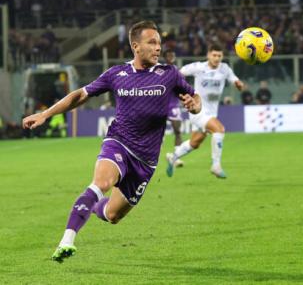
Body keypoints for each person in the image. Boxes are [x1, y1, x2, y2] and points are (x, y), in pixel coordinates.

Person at [22, 20, 201, 262]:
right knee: (101, 182)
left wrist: (194, 104)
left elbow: (194, 97)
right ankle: (67, 240)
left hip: (146, 161)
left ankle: (96, 207)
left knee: (112, 214)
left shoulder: (169, 74)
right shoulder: (117, 74)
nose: (158, 48)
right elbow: (80, 95)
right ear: (135, 46)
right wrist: (45, 114)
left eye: (159, 43)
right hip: (119, 142)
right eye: (152, 42)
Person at [166, 44, 244, 179]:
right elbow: (178, 74)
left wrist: (238, 84)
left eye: (219, 56)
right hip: (198, 110)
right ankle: (216, 165)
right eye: (214, 55)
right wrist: (181, 90)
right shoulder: (198, 67)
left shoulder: (224, 69)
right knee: (219, 129)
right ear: (208, 55)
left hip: (212, 111)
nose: (217, 58)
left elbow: (235, 80)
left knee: (195, 143)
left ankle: (173, 156)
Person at [163, 49, 184, 168]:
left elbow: (182, 87)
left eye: (173, 55)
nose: (171, 57)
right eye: (169, 55)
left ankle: (176, 157)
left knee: (178, 131)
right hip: (160, 106)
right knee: (157, 133)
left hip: (174, 106)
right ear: (165, 57)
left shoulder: (178, 72)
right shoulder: (160, 70)